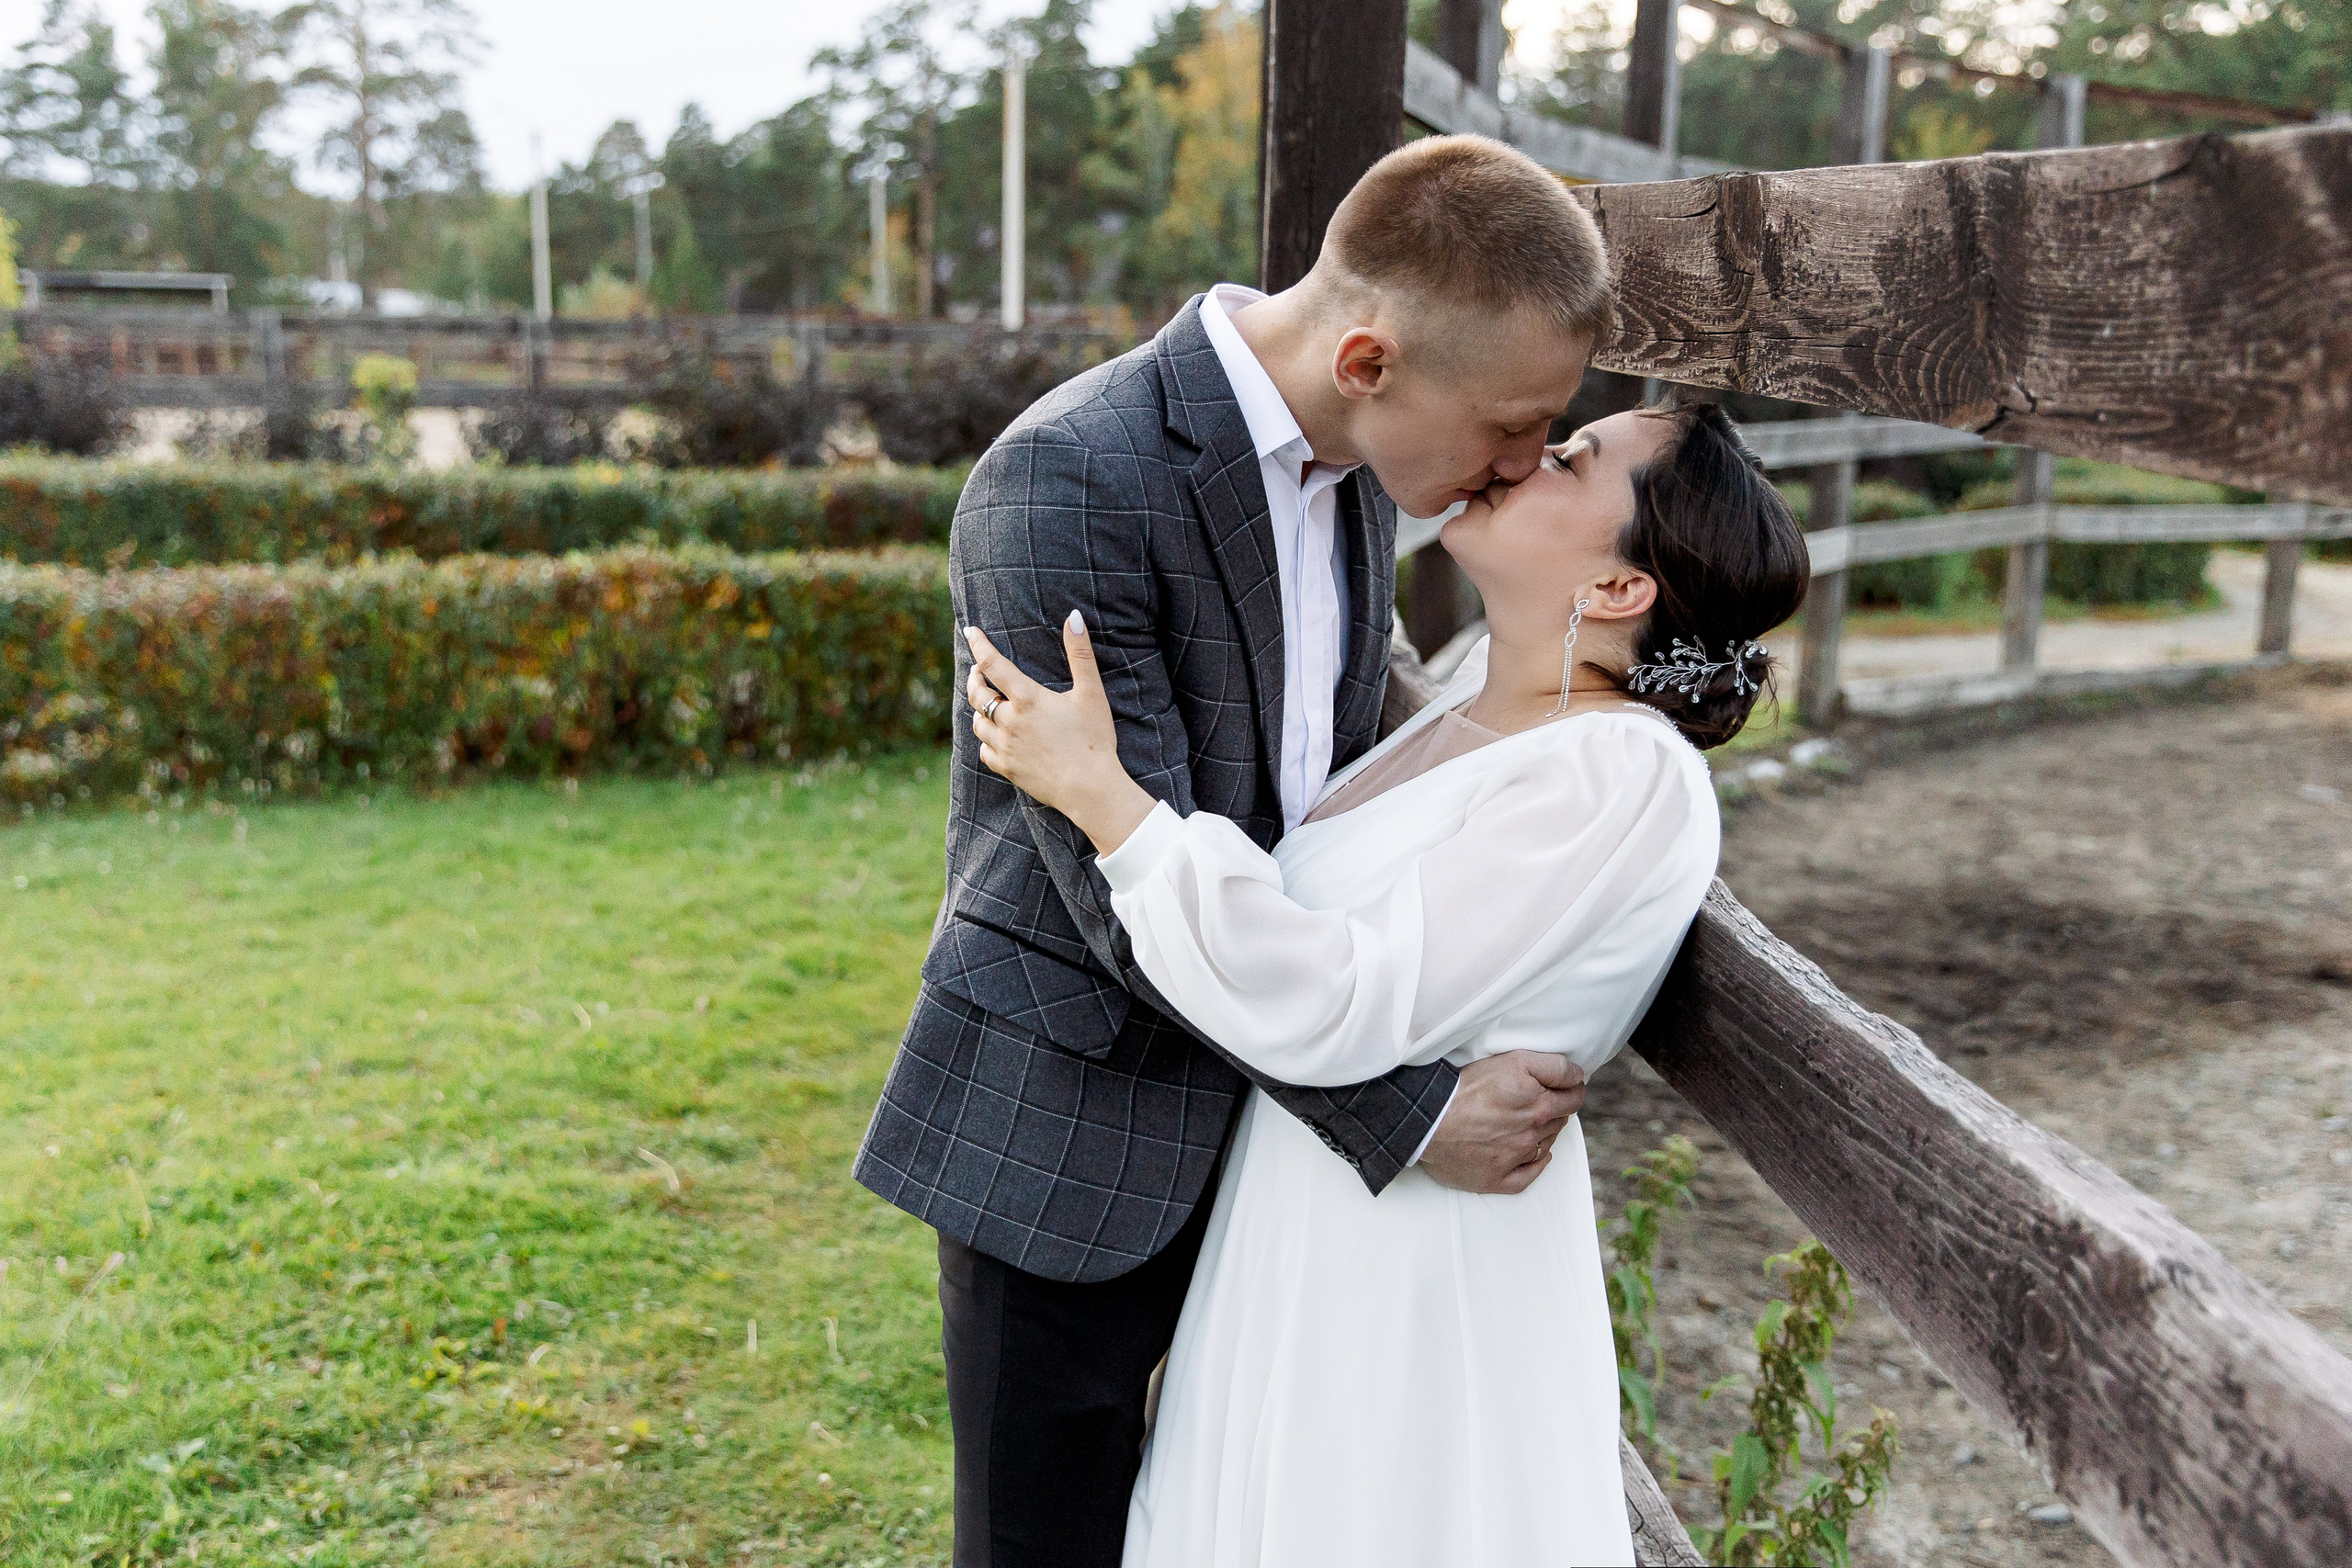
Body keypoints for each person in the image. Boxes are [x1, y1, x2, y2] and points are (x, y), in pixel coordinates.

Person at [853, 133, 1615, 1565]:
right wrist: (1411, 1110)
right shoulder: (1067, 481)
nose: (1527, 462)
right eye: (1516, 423)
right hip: (1072, 1133)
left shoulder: (1364, 473)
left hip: (1267, 1152)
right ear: (1372, 359)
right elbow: (1126, 889)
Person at [964, 399, 1808, 1564]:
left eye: (1569, 460)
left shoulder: (1621, 775)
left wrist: (1106, 801)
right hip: (1311, 1233)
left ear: (1618, 590)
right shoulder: (1467, 708)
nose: (1524, 456)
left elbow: (1343, 998)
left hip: (1407, 1288)